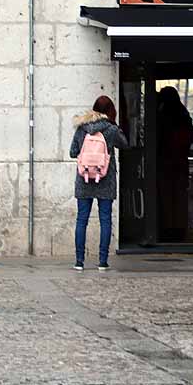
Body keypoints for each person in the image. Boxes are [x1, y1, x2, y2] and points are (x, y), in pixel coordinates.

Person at [69, 95, 128, 272]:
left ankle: (79, 261)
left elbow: (73, 152)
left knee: (82, 220)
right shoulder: (110, 129)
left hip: (84, 177)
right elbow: (124, 145)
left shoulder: (82, 128)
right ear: (111, 111)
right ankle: (102, 261)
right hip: (106, 178)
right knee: (105, 219)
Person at [156, 86, 193, 241]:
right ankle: (179, 231)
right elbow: (192, 138)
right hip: (180, 163)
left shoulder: (161, 115)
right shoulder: (183, 114)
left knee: (166, 198)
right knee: (179, 197)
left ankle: (166, 230)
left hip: (164, 163)